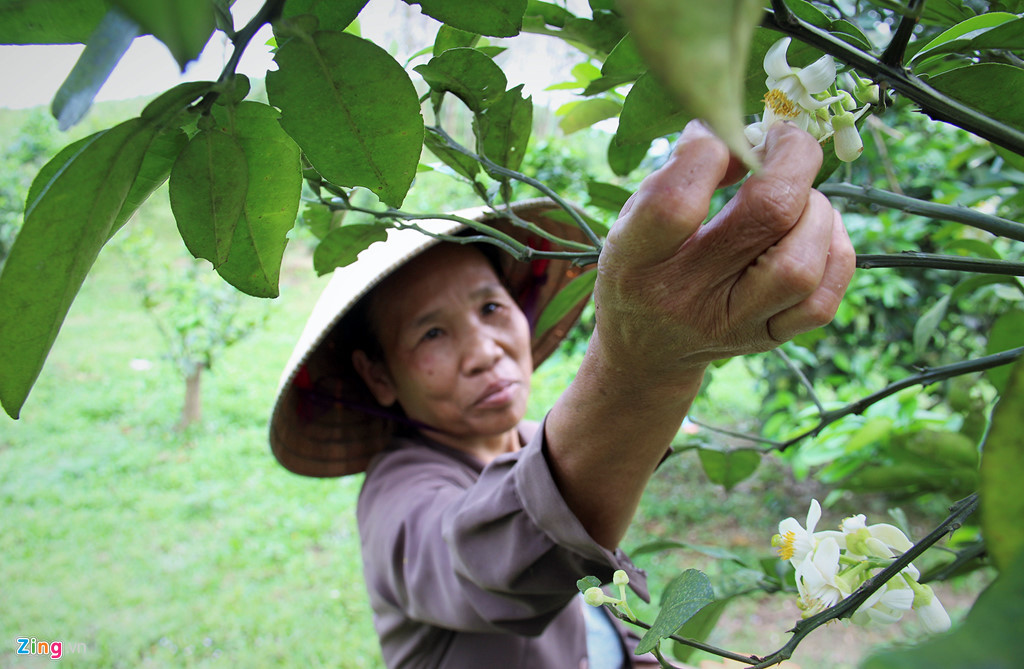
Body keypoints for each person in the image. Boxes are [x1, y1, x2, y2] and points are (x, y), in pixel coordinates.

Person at [269, 121, 856, 668]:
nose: (484, 351)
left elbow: (589, 600)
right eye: (432, 334)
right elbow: (491, 564)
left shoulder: (532, 441)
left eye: (490, 307)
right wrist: (644, 367)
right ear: (378, 376)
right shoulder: (396, 495)